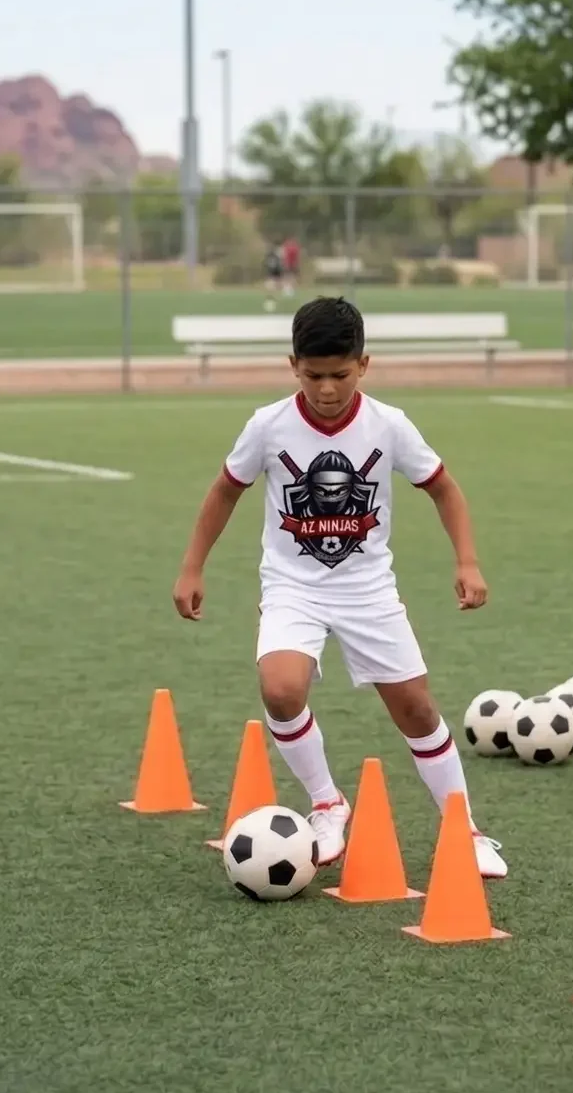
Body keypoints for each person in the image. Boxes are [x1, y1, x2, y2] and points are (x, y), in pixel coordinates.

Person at [172, 296, 507, 876]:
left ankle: (466, 828)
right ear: (293, 365)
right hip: (292, 587)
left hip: (368, 590)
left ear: (365, 364)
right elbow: (226, 489)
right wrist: (192, 566)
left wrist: (468, 561)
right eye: (313, 375)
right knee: (280, 689)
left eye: (340, 375)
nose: (327, 389)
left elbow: (444, 488)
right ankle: (327, 803)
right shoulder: (269, 425)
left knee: (416, 709)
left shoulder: (389, 425)